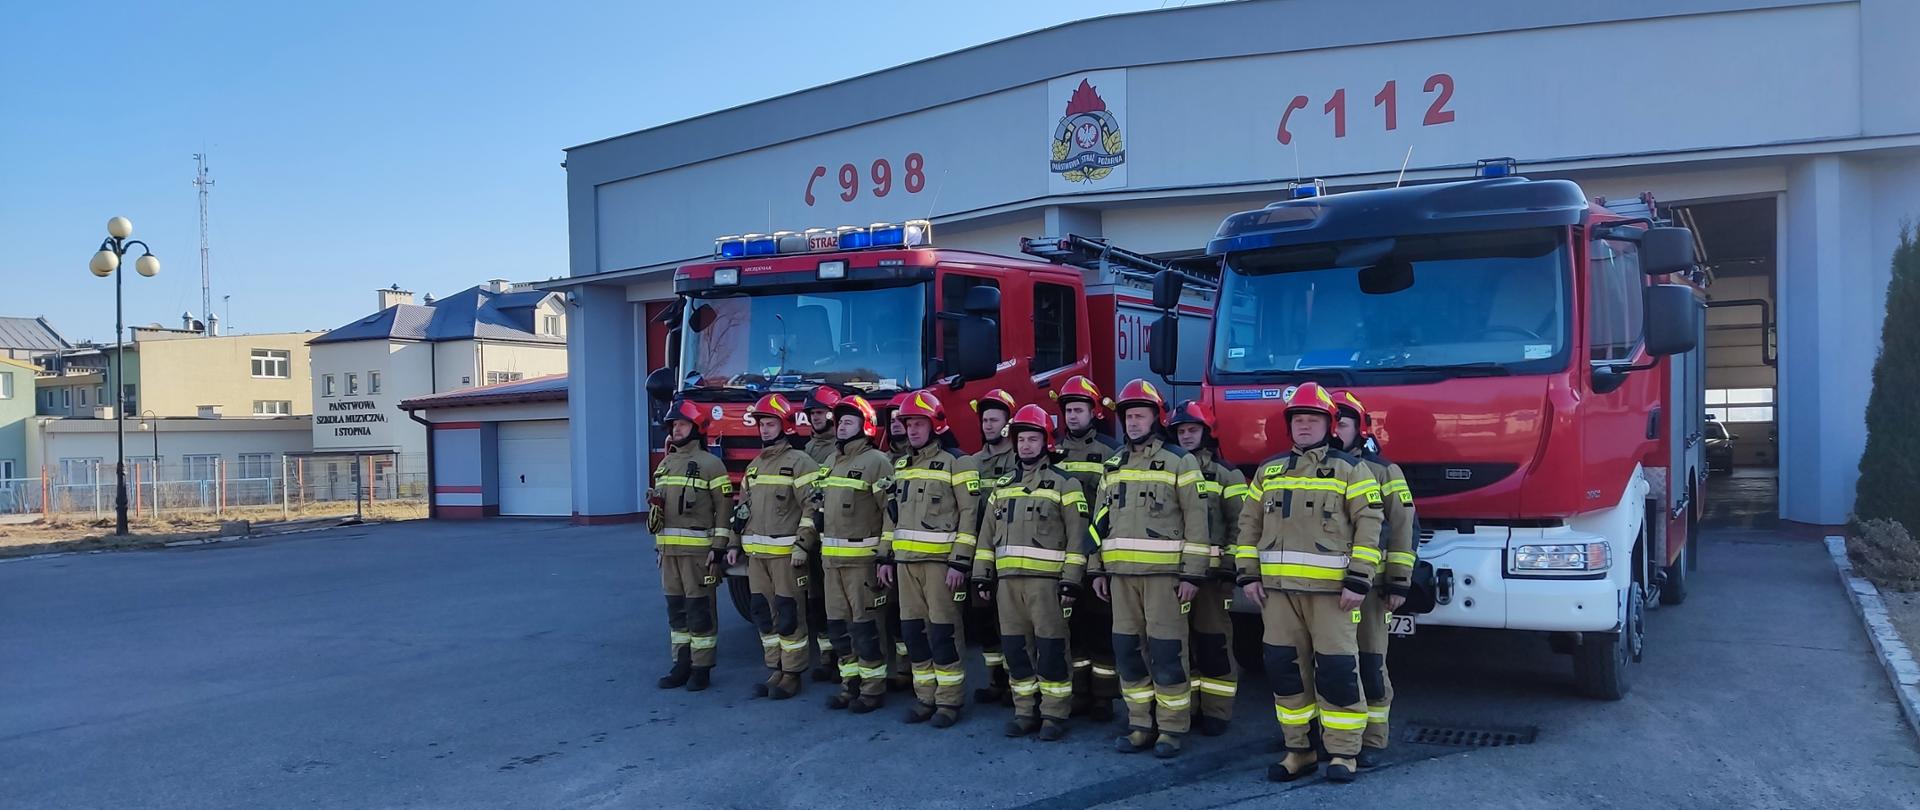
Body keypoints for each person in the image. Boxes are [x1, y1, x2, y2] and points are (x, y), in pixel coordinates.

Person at [1233, 382, 1384, 784]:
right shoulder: (1269, 471)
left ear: (1329, 425)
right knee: (1285, 673)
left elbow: (1370, 527)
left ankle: (1343, 753)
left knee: (1337, 672)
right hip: (1278, 596)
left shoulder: (1352, 470)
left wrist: (1359, 580)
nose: (1304, 426)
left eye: (1312, 419)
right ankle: (1299, 749)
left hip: (1333, 596)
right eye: (1298, 419)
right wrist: (1248, 574)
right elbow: (1248, 525)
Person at [1087, 378, 1210, 758]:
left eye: (1140, 415)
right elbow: (1098, 522)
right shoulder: (1113, 464)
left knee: (1167, 653)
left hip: (1165, 579)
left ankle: (1171, 728)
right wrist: (1096, 568)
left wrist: (1192, 573)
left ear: (1156, 418)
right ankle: (1140, 724)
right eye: (1129, 416)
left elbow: (1197, 521)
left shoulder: (1180, 461)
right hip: (1121, 578)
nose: (1134, 422)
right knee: (1128, 653)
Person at [973, 403, 1090, 741]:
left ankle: (1054, 714)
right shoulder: (1003, 486)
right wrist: (982, 574)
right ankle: (1025, 711)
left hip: (1047, 586)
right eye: (1021, 439)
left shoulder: (1065, 484)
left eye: (1032, 439)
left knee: (1051, 650)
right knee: (1015, 650)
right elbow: (986, 537)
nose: (1025, 445)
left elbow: (1078, 538)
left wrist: (1071, 581)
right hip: (1007, 586)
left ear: (1046, 442)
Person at [879, 390, 982, 728]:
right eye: (908, 424)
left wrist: (960, 562)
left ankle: (949, 702)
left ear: (935, 424)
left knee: (943, 633)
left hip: (941, 567)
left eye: (918, 424)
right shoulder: (902, 466)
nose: (911, 430)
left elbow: (970, 516)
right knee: (914, 634)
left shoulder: (958, 462)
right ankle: (925, 698)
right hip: (905, 565)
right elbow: (892, 517)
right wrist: (885, 558)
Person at [1331, 389, 1417, 768]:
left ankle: (1373, 737)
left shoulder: (1384, 472)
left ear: (1360, 428)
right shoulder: (1313, 469)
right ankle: (1333, 735)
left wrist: (1397, 581)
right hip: (1325, 589)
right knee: (1331, 664)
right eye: (1331, 423)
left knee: (1369, 661)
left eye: (1343, 423)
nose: (1336, 430)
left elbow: (1403, 528)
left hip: (1371, 588)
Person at [804, 394, 896, 713]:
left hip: (862, 564)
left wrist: (884, 555)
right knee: (839, 628)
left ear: (865, 425)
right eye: (839, 421)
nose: (841, 427)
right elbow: (816, 501)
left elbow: (891, 514)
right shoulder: (831, 462)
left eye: (848, 421)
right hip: (831, 563)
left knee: (866, 629)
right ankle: (849, 684)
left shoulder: (877, 462)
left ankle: (872, 690)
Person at [1168, 399, 1249, 736]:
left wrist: (1230, 568)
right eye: (1181, 431)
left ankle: (1217, 711)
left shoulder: (1227, 474)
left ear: (1207, 432)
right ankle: (1186, 708)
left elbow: (1241, 525)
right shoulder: (1167, 469)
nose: (1186, 436)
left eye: (1193, 430)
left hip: (1213, 579)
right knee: (1179, 645)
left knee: (1213, 643)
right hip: (1174, 575)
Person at [733, 393, 822, 700]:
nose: (765, 429)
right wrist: (733, 544)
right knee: (762, 613)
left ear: (785, 426)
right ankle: (775, 668)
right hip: (757, 556)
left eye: (771, 423)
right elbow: (742, 511)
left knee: (789, 614)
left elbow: (813, 508)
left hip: (787, 556)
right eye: (762, 424)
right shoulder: (754, 466)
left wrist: (802, 545)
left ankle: (792, 673)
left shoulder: (801, 463)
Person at [649, 398, 735, 692]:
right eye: (674, 425)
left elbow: (723, 510)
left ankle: (702, 668)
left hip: (698, 555)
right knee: (676, 611)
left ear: (696, 428)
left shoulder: (711, 465)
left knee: (700, 611)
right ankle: (681, 664)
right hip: (668, 554)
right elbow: (659, 511)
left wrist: (719, 548)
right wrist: (658, 548)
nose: (677, 429)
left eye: (683, 424)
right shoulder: (665, 464)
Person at [1053, 375, 1121, 721]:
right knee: (1072, 628)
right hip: (1063, 554)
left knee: (1100, 626)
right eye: (1069, 410)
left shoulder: (1111, 451)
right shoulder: (1053, 450)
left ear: (1094, 412)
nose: (1073, 416)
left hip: (1095, 552)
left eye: (1079, 409)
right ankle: (1079, 691)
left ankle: (1103, 698)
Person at [968, 388, 1021, 705]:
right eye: (984, 420)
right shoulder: (972, 462)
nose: (988, 425)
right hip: (981, 553)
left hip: (1012, 554)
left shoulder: (1021, 458)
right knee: (984, 621)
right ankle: (995, 680)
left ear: (1008, 424)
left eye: (994, 420)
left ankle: (1017, 684)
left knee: (1012, 623)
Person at [800, 385, 842, 684]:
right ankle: (827, 655)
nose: (816, 418)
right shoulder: (806, 449)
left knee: (836, 599)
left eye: (821, 412)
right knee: (816, 599)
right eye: (812, 413)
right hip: (810, 535)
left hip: (833, 536)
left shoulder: (840, 448)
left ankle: (842, 656)